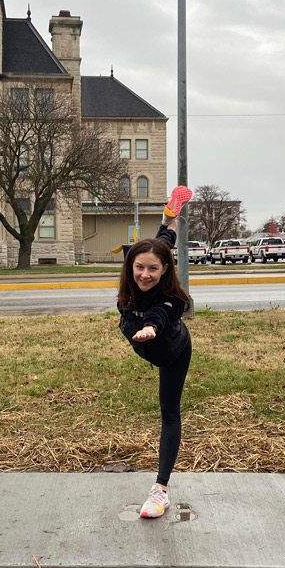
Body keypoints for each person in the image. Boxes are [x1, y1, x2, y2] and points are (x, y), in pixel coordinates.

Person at [117, 186, 193, 519]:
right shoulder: (133, 279)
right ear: (131, 265)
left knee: (170, 412)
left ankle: (160, 490)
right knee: (162, 237)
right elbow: (165, 240)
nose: (145, 274)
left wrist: (151, 328)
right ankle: (169, 211)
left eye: (153, 269)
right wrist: (170, 220)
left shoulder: (171, 300)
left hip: (172, 349)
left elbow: (158, 314)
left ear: (164, 271)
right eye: (140, 267)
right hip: (147, 341)